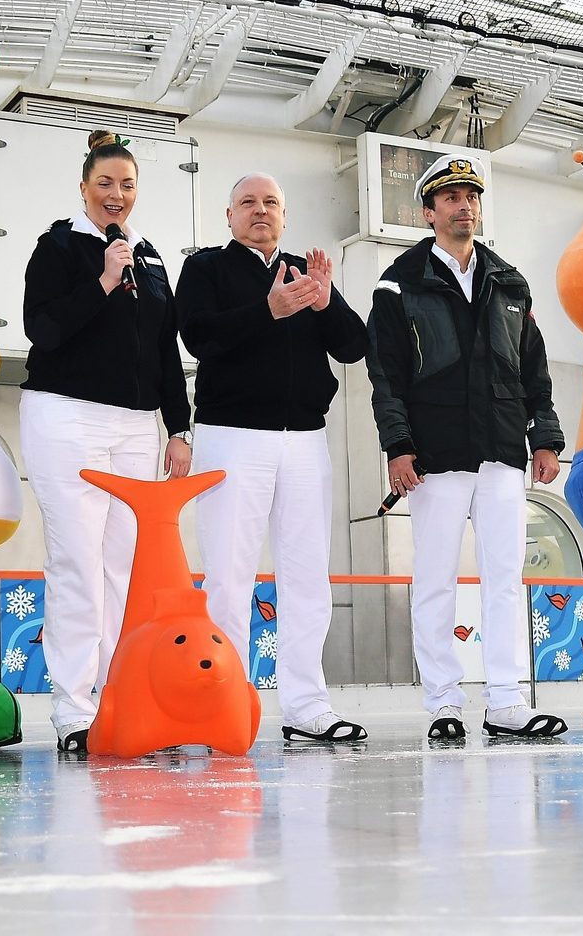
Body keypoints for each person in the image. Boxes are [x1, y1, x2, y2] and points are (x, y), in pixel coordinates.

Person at [365, 155, 570, 740]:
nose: (464, 206)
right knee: (434, 580)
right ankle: (444, 704)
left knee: (506, 578)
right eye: (451, 197)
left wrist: (545, 437)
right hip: (435, 456)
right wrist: (398, 446)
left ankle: (507, 702)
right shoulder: (399, 281)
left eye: (471, 196)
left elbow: (534, 369)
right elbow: (387, 373)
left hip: (502, 451)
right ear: (428, 212)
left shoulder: (510, 282)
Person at [176, 172, 369, 743]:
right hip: (232, 435)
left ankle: (306, 704)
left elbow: (354, 345)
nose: (260, 212)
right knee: (229, 578)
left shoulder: (306, 274)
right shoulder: (206, 268)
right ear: (228, 215)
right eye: (248, 203)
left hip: (305, 439)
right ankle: (223, 704)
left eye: (271, 203)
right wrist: (268, 310)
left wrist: (325, 301)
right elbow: (197, 337)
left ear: (284, 215)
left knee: (308, 576)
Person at [21, 130, 192, 753]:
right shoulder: (59, 246)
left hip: (134, 426)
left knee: (123, 568)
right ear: (84, 188)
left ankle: (122, 697)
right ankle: (73, 709)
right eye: (105, 185)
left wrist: (178, 425)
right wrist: (100, 281)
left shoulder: (149, 258)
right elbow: (42, 328)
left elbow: (164, 347)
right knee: (79, 567)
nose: (116, 196)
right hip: (66, 416)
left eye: (126, 186)